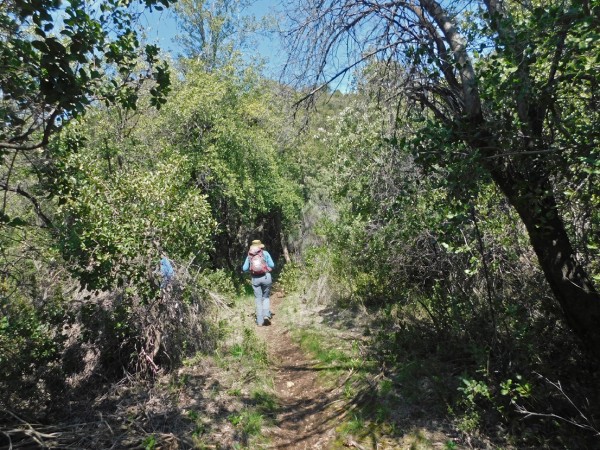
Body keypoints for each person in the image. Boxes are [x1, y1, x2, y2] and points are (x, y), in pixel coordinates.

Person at [242, 239, 275, 326]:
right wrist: (266, 268)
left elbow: (244, 268)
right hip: (266, 277)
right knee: (266, 297)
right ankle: (266, 315)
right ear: (260, 246)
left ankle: (260, 321)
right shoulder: (265, 253)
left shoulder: (249, 255)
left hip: (255, 279)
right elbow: (272, 265)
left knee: (258, 299)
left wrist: (252, 270)